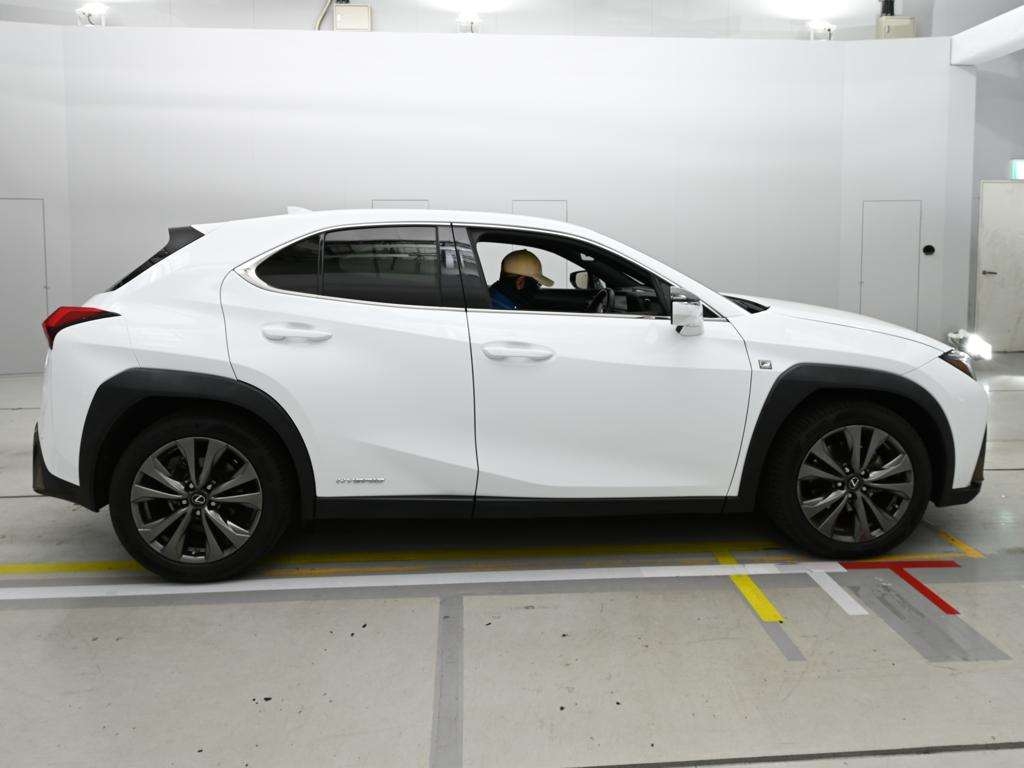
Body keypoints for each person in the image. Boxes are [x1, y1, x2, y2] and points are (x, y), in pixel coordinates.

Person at [489, 249, 554, 309]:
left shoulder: (494, 297)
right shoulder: (504, 311)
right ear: (520, 282)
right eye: (537, 284)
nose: (537, 289)